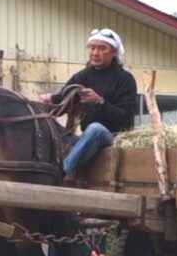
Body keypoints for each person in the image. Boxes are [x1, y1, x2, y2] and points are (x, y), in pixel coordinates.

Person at [42, 27, 138, 175]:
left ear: (114, 53)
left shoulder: (125, 79)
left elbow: (126, 120)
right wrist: (49, 100)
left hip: (112, 138)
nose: (95, 53)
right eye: (92, 48)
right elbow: (63, 98)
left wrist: (99, 102)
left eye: (102, 48)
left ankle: (62, 172)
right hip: (86, 138)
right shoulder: (83, 76)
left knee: (95, 129)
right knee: (54, 131)